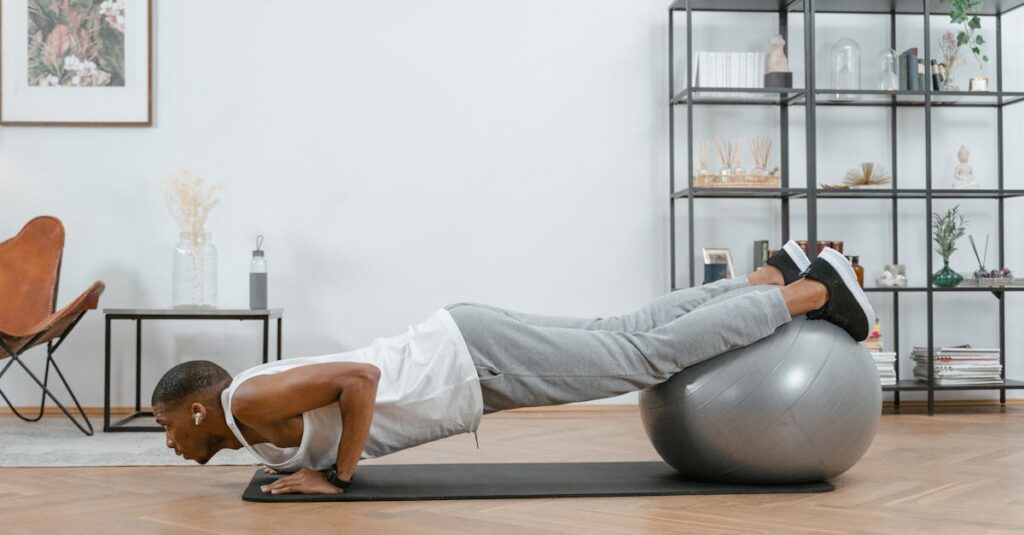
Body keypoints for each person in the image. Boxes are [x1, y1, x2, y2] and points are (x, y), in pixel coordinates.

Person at [151, 242, 873, 495]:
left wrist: (335, 476)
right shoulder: (246, 415)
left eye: (164, 428)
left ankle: (812, 292)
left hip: (470, 360)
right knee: (623, 334)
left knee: (640, 357)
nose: (167, 443)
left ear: (195, 409)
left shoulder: (246, 401)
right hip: (466, 347)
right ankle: (766, 275)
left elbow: (358, 382)